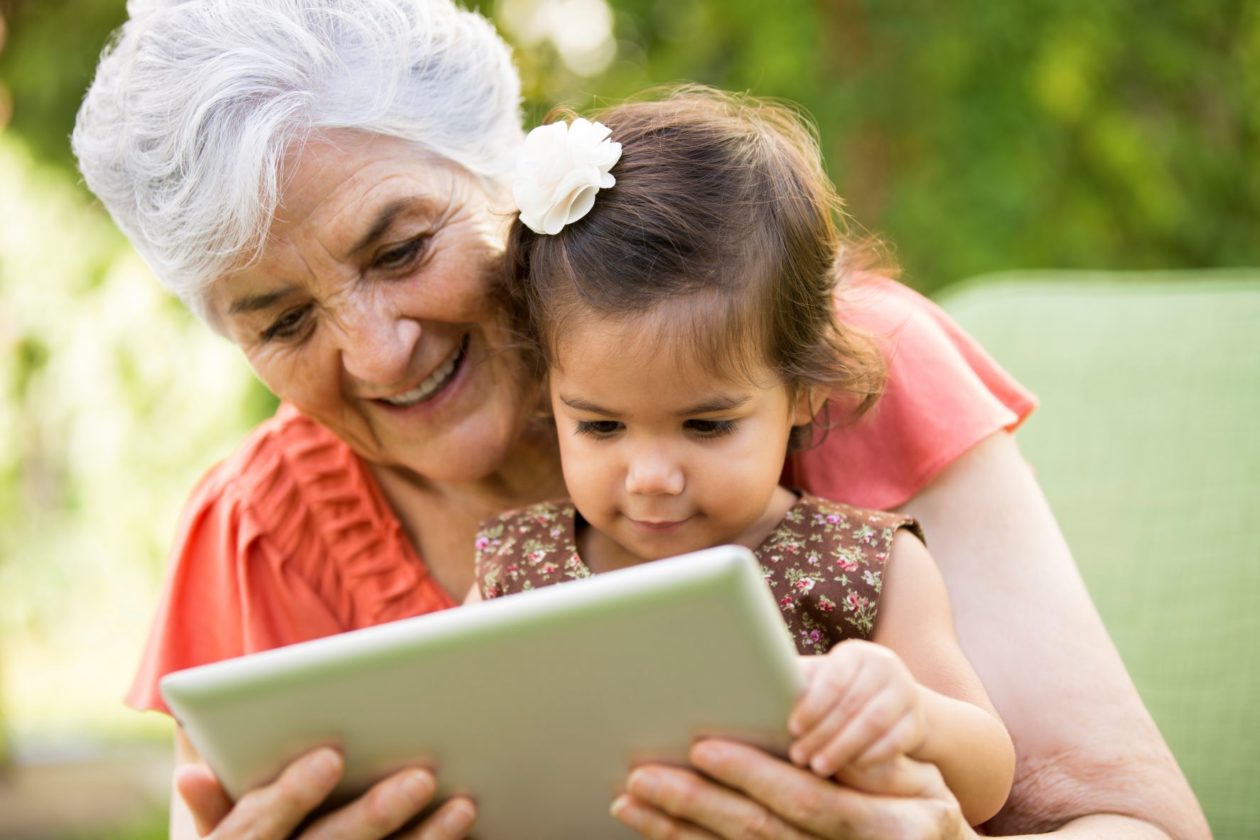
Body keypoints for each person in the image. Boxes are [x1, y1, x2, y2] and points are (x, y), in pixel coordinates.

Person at [71, 1, 1208, 838]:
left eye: (403, 248)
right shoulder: (259, 538)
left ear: (508, 179)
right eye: (279, 322)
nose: (377, 349)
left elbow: (1135, 823)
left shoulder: (850, 367)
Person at [474, 91, 1016, 826]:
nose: (652, 477)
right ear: (550, 392)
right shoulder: (515, 573)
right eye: (601, 427)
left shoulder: (860, 567)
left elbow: (988, 780)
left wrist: (906, 709)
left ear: (804, 390)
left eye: (705, 425)